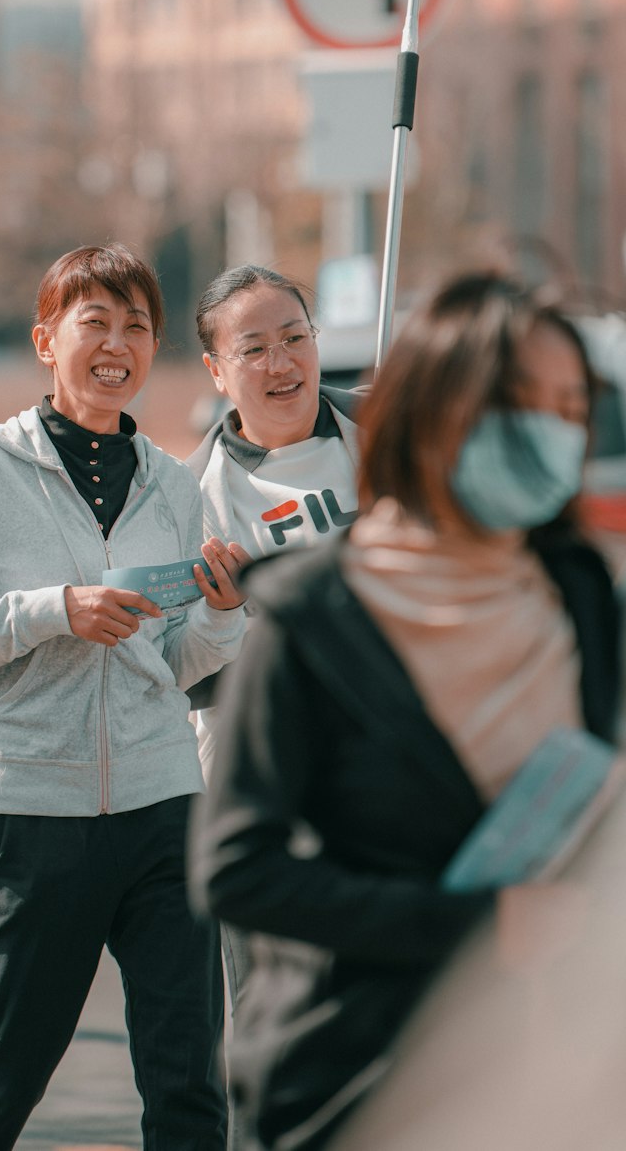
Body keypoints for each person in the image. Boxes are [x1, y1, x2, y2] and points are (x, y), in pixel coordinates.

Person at [189, 272, 621, 1151]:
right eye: (516, 404)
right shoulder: (314, 614)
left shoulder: (583, 592)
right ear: (436, 412)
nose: (550, 430)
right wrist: (474, 926)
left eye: (571, 406)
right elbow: (239, 872)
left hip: (557, 1076)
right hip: (367, 1079)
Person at [0, 242, 250, 1151]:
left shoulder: (174, 485)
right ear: (46, 339)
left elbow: (176, 665)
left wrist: (220, 614)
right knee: (3, 1077)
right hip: (28, 815)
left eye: (138, 325)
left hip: (162, 807)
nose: (118, 343)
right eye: (96, 319)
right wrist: (53, 611)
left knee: (189, 1083)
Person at [185, 264, 364, 1102]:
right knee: (277, 1018)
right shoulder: (194, 498)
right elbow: (182, 663)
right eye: (253, 347)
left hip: (397, 763)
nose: (282, 360)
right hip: (270, 783)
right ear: (218, 371)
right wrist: (222, 617)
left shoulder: (388, 435)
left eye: (295, 336)